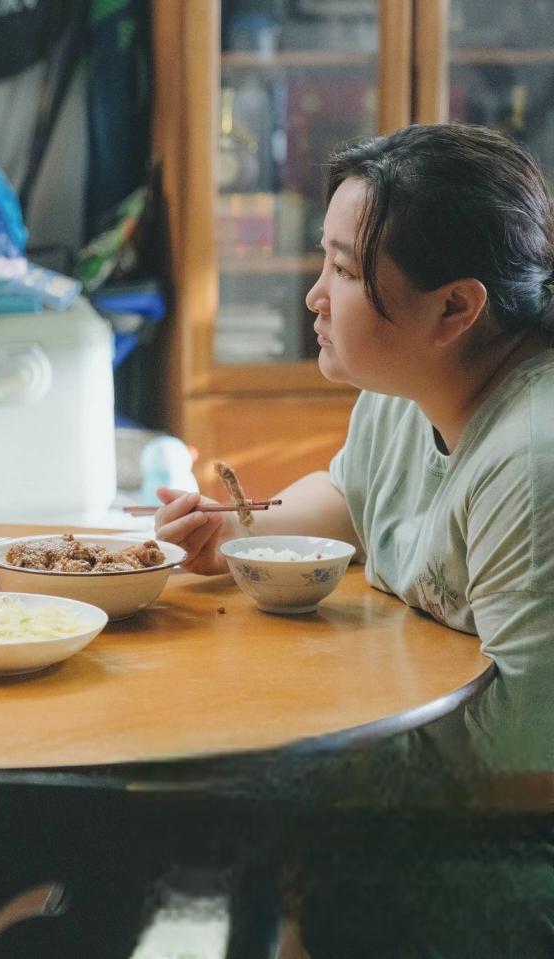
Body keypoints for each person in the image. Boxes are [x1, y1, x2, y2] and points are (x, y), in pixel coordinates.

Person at [158, 123, 554, 959]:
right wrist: (238, 529)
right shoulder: (408, 386)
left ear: (455, 307)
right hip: (434, 788)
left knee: (265, 830)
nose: (314, 294)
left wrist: (329, 714)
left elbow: (526, 747)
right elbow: (350, 495)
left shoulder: (531, 458)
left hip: (517, 833)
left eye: (342, 270)